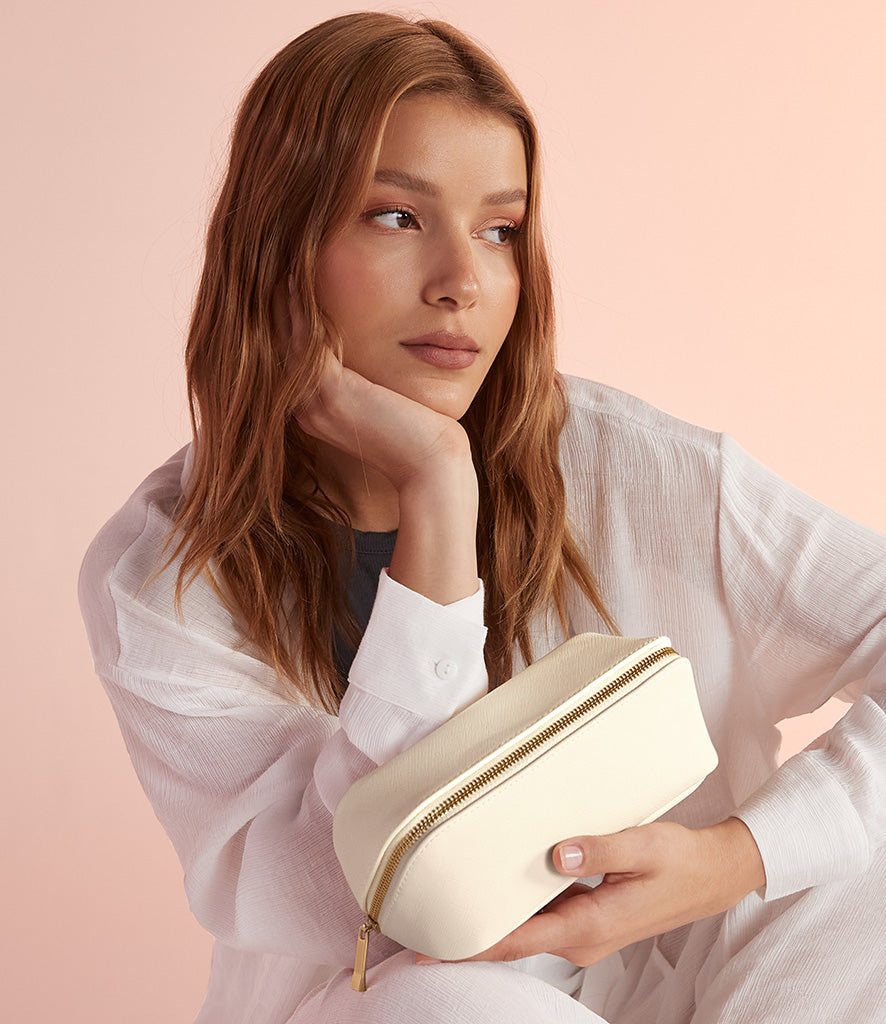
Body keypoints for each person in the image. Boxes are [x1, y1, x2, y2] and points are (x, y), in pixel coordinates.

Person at [78, 11, 885, 1023]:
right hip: (397, 1001)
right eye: (396, 217)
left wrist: (732, 859)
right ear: (279, 248)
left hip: (693, 992)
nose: (462, 282)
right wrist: (436, 491)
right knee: (448, 1003)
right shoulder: (164, 579)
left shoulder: (637, 470)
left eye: (500, 231)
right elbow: (392, 909)